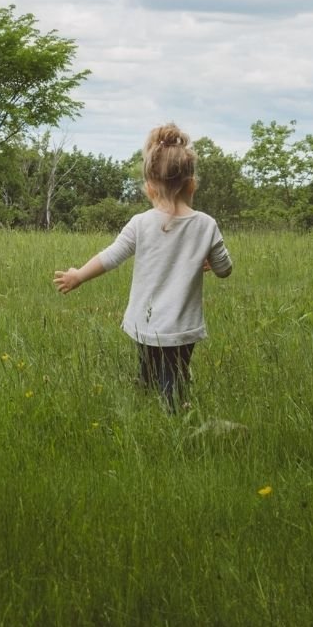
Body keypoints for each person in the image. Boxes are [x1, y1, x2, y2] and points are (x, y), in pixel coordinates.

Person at [53, 123, 233, 413]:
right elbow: (225, 268)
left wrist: (78, 275)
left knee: (150, 367)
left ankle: (158, 402)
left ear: (149, 187)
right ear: (192, 184)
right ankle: (172, 409)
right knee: (174, 374)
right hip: (183, 327)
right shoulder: (206, 225)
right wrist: (212, 262)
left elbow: (111, 256)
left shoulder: (140, 223)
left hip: (144, 323)